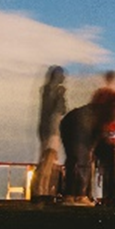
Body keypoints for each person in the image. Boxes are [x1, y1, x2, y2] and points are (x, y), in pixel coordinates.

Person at [59, 72, 115, 205]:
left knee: (74, 160)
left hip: (69, 122)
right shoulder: (112, 103)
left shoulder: (102, 97)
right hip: (78, 126)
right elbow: (105, 127)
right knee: (83, 160)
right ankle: (79, 195)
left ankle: (70, 195)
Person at [33, 66, 70, 201]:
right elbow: (60, 110)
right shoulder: (55, 91)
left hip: (46, 129)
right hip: (53, 129)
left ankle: (42, 189)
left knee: (46, 159)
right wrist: (61, 96)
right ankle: (41, 189)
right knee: (49, 159)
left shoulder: (46, 91)